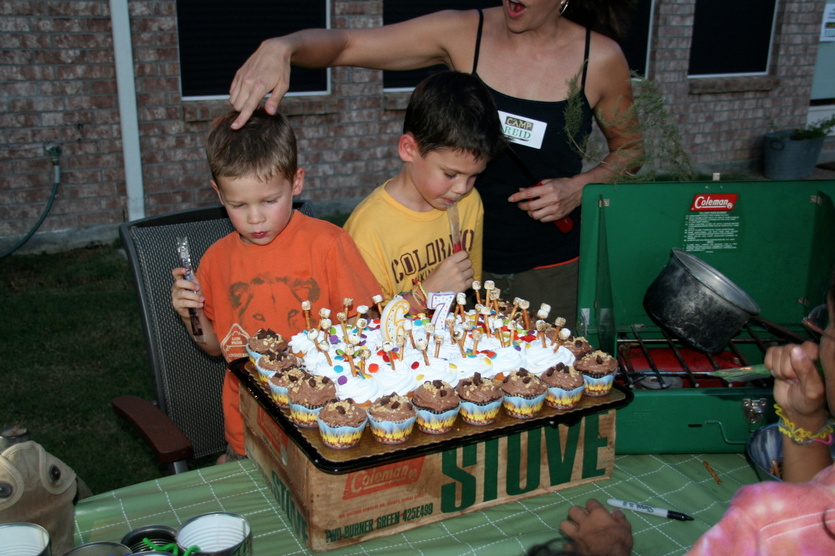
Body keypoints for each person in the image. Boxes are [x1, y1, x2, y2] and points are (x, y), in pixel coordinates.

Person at [228, 0, 643, 328]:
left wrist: (579, 188)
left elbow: (631, 151)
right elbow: (349, 44)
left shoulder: (601, 59)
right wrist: (283, 46)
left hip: (549, 267)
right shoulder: (464, 33)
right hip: (443, 252)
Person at [557, 271, 835, 556]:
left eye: (825, 327)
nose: (814, 344)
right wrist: (806, 420)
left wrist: (606, 552)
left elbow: (799, 520)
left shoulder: (762, 522)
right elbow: (810, 504)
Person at [170, 109, 382, 462]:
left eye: (269, 201)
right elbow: (214, 347)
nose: (255, 218)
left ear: (296, 182)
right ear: (219, 194)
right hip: (248, 434)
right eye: (238, 204)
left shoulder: (329, 245)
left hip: (322, 430)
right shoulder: (215, 261)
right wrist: (191, 316)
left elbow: (367, 328)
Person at [343, 70, 506, 310]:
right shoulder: (368, 230)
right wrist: (424, 295)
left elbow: (468, 299)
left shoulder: (470, 202)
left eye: (474, 176)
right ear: (409, 149)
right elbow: (363, 328)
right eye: (450, 174)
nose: (462, 188)